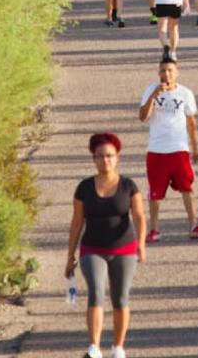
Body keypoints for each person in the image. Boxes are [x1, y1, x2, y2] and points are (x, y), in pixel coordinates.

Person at [66, 133, 148, 358]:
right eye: (100, 156)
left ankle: (118, 348)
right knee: (96, 293)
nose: (105, 160)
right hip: (92, 248)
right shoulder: (84, 187)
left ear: (118, 157)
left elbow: (139, 216)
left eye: (110, 156)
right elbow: (76, 222)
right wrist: (70, 255)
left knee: (120, 298)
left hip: (124, 249)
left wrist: (141, 244)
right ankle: (94, 347)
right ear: (93, 159)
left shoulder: (129, 186)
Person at [137, 57, 198, 241]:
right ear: (158, 72)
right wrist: (154, 95)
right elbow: (143, 117)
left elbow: (191, 122)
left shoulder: (185, 93)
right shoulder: (150, 90)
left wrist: (195, 147)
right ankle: (154, 230)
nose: (166, 74)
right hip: (157, 149)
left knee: (186, 187)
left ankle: (194, 225)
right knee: (155, 192)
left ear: (176, 72)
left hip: (178, 148)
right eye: (162, 70)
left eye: (170, 70)